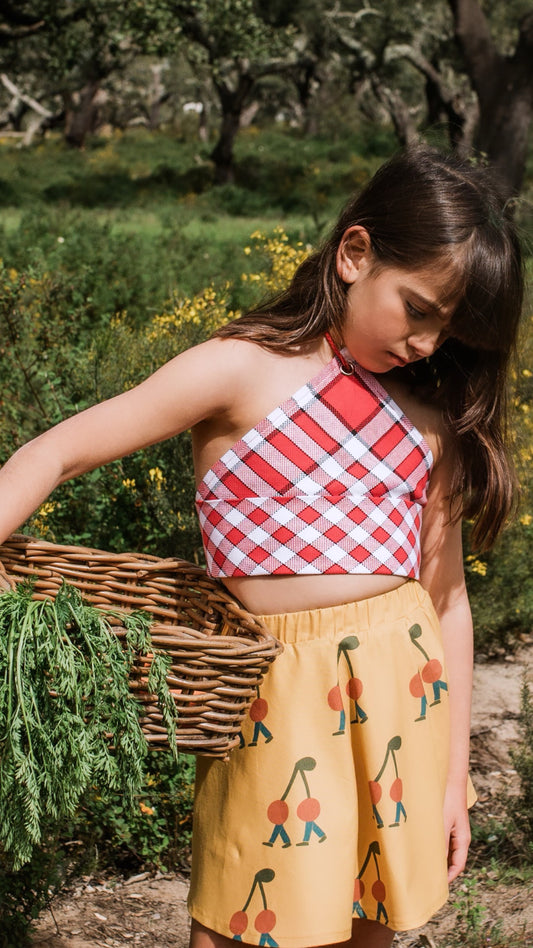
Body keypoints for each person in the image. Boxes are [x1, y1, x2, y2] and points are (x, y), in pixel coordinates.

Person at [0, 145, 524, 948]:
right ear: (354, 254)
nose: (424, 344)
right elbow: (55, 453)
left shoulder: (426, 427)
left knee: (368, 923)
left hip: (400, 692)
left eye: (445, 330)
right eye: (416, 309)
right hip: (275, 691)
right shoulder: (240, 370)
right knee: (239, 922)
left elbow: (446, 601)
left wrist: (454, 778)